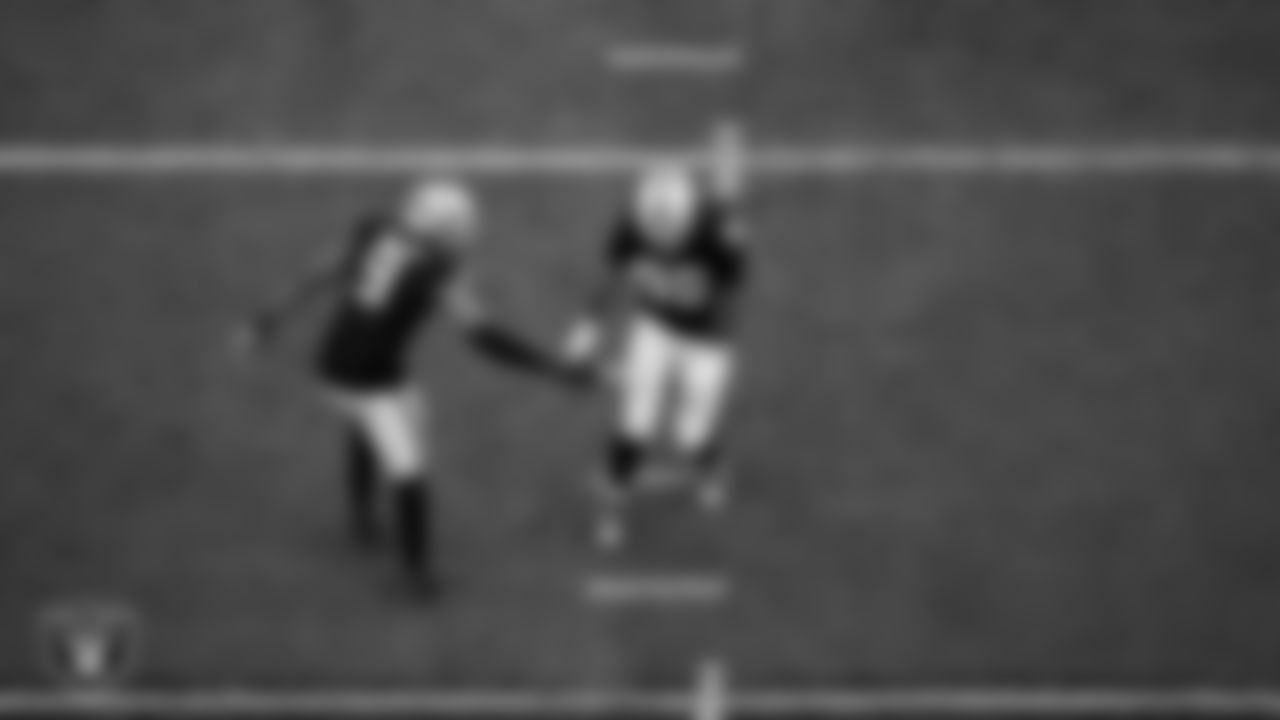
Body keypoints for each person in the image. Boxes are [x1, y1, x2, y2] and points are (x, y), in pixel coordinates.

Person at [237, 178, 578, 599]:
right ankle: (415, 574)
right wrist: (554, 368)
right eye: (459, 227)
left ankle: (362, 520)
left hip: (337, 362)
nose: (465, 235)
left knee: (374, 421)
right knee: (410, 471)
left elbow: (320, 273)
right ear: (443, 230)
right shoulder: (433, 272)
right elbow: (483, 336)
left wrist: (266, 320)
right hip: (366, 379)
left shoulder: (378, 230)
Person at [562, 161, 750, 550]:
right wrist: (587, 331)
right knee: (634, 426)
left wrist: (698, 322)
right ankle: (611, 510)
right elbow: (609, 276)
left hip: (706, 339)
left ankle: (710, 469)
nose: (664, 243)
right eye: (655, 232)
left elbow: (730, 300)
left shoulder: (719, 237)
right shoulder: (631, 227)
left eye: (672, 233)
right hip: (655, 327)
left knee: (691, 434)